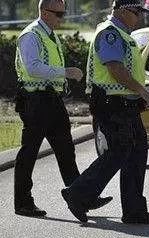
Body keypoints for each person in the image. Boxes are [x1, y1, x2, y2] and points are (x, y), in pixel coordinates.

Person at [61, 0, 149, 224]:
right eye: (137, 12)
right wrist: (142, 92)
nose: (140, 17)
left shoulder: (122, 33)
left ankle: (134, 209)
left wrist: (139, 96)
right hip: (111, 104)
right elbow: (115, 69)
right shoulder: (110, 33)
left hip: (125, 104)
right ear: (123, 10)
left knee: (136, 153)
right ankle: (77, 194)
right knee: (118, 152)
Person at [14, 0, 112, 217]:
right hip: (35, 100)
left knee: (66, 150)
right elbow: (32, 67)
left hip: (51, 100)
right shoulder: (31, 35)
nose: (62, 18)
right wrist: (65, 72)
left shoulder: (49, 34)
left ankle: (79, 196)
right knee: (29, 152)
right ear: (44, 12)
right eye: (58, 14)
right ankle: (23, 202)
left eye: (63, 13)